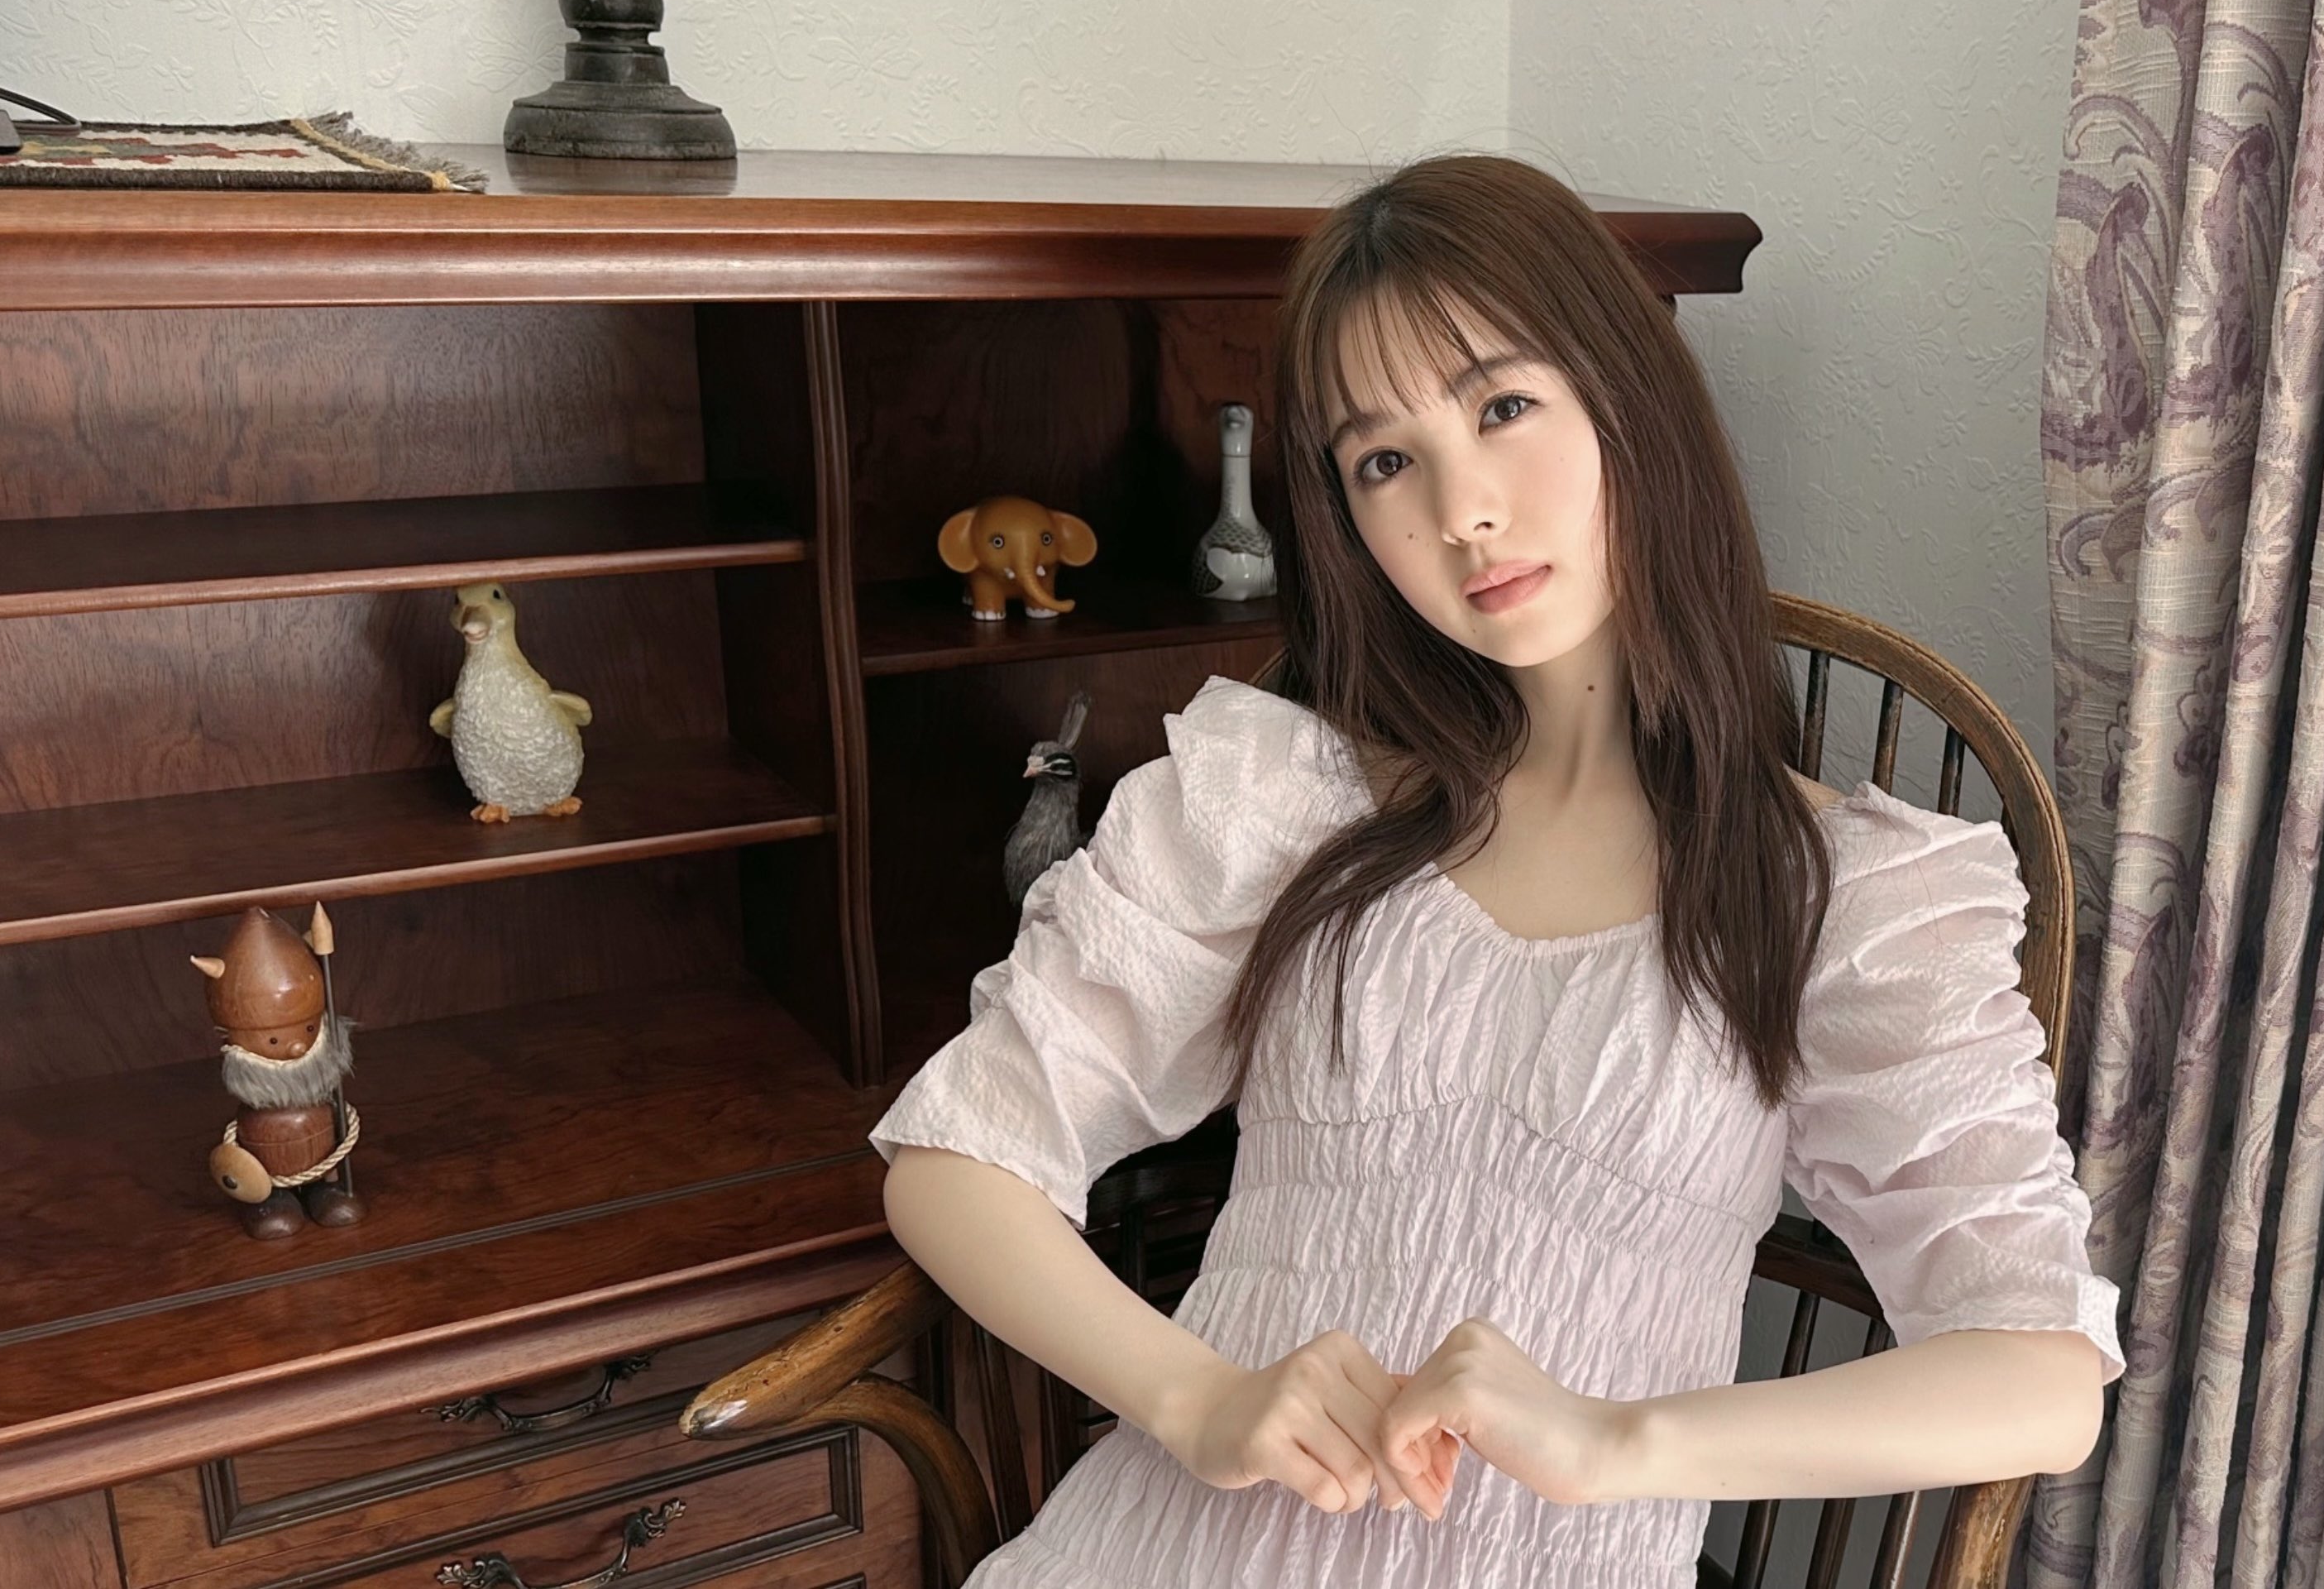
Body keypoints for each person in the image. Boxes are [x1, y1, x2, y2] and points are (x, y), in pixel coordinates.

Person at [873, 153, 2126, 1588]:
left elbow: (2037, 1378)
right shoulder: (1279, 809)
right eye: (1383, 462)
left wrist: (1618, 1441)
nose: (1461, 510)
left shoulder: (1839, 903)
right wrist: (1192, 1395)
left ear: (1626, 399)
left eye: (1502, 407)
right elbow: (958, 1154)